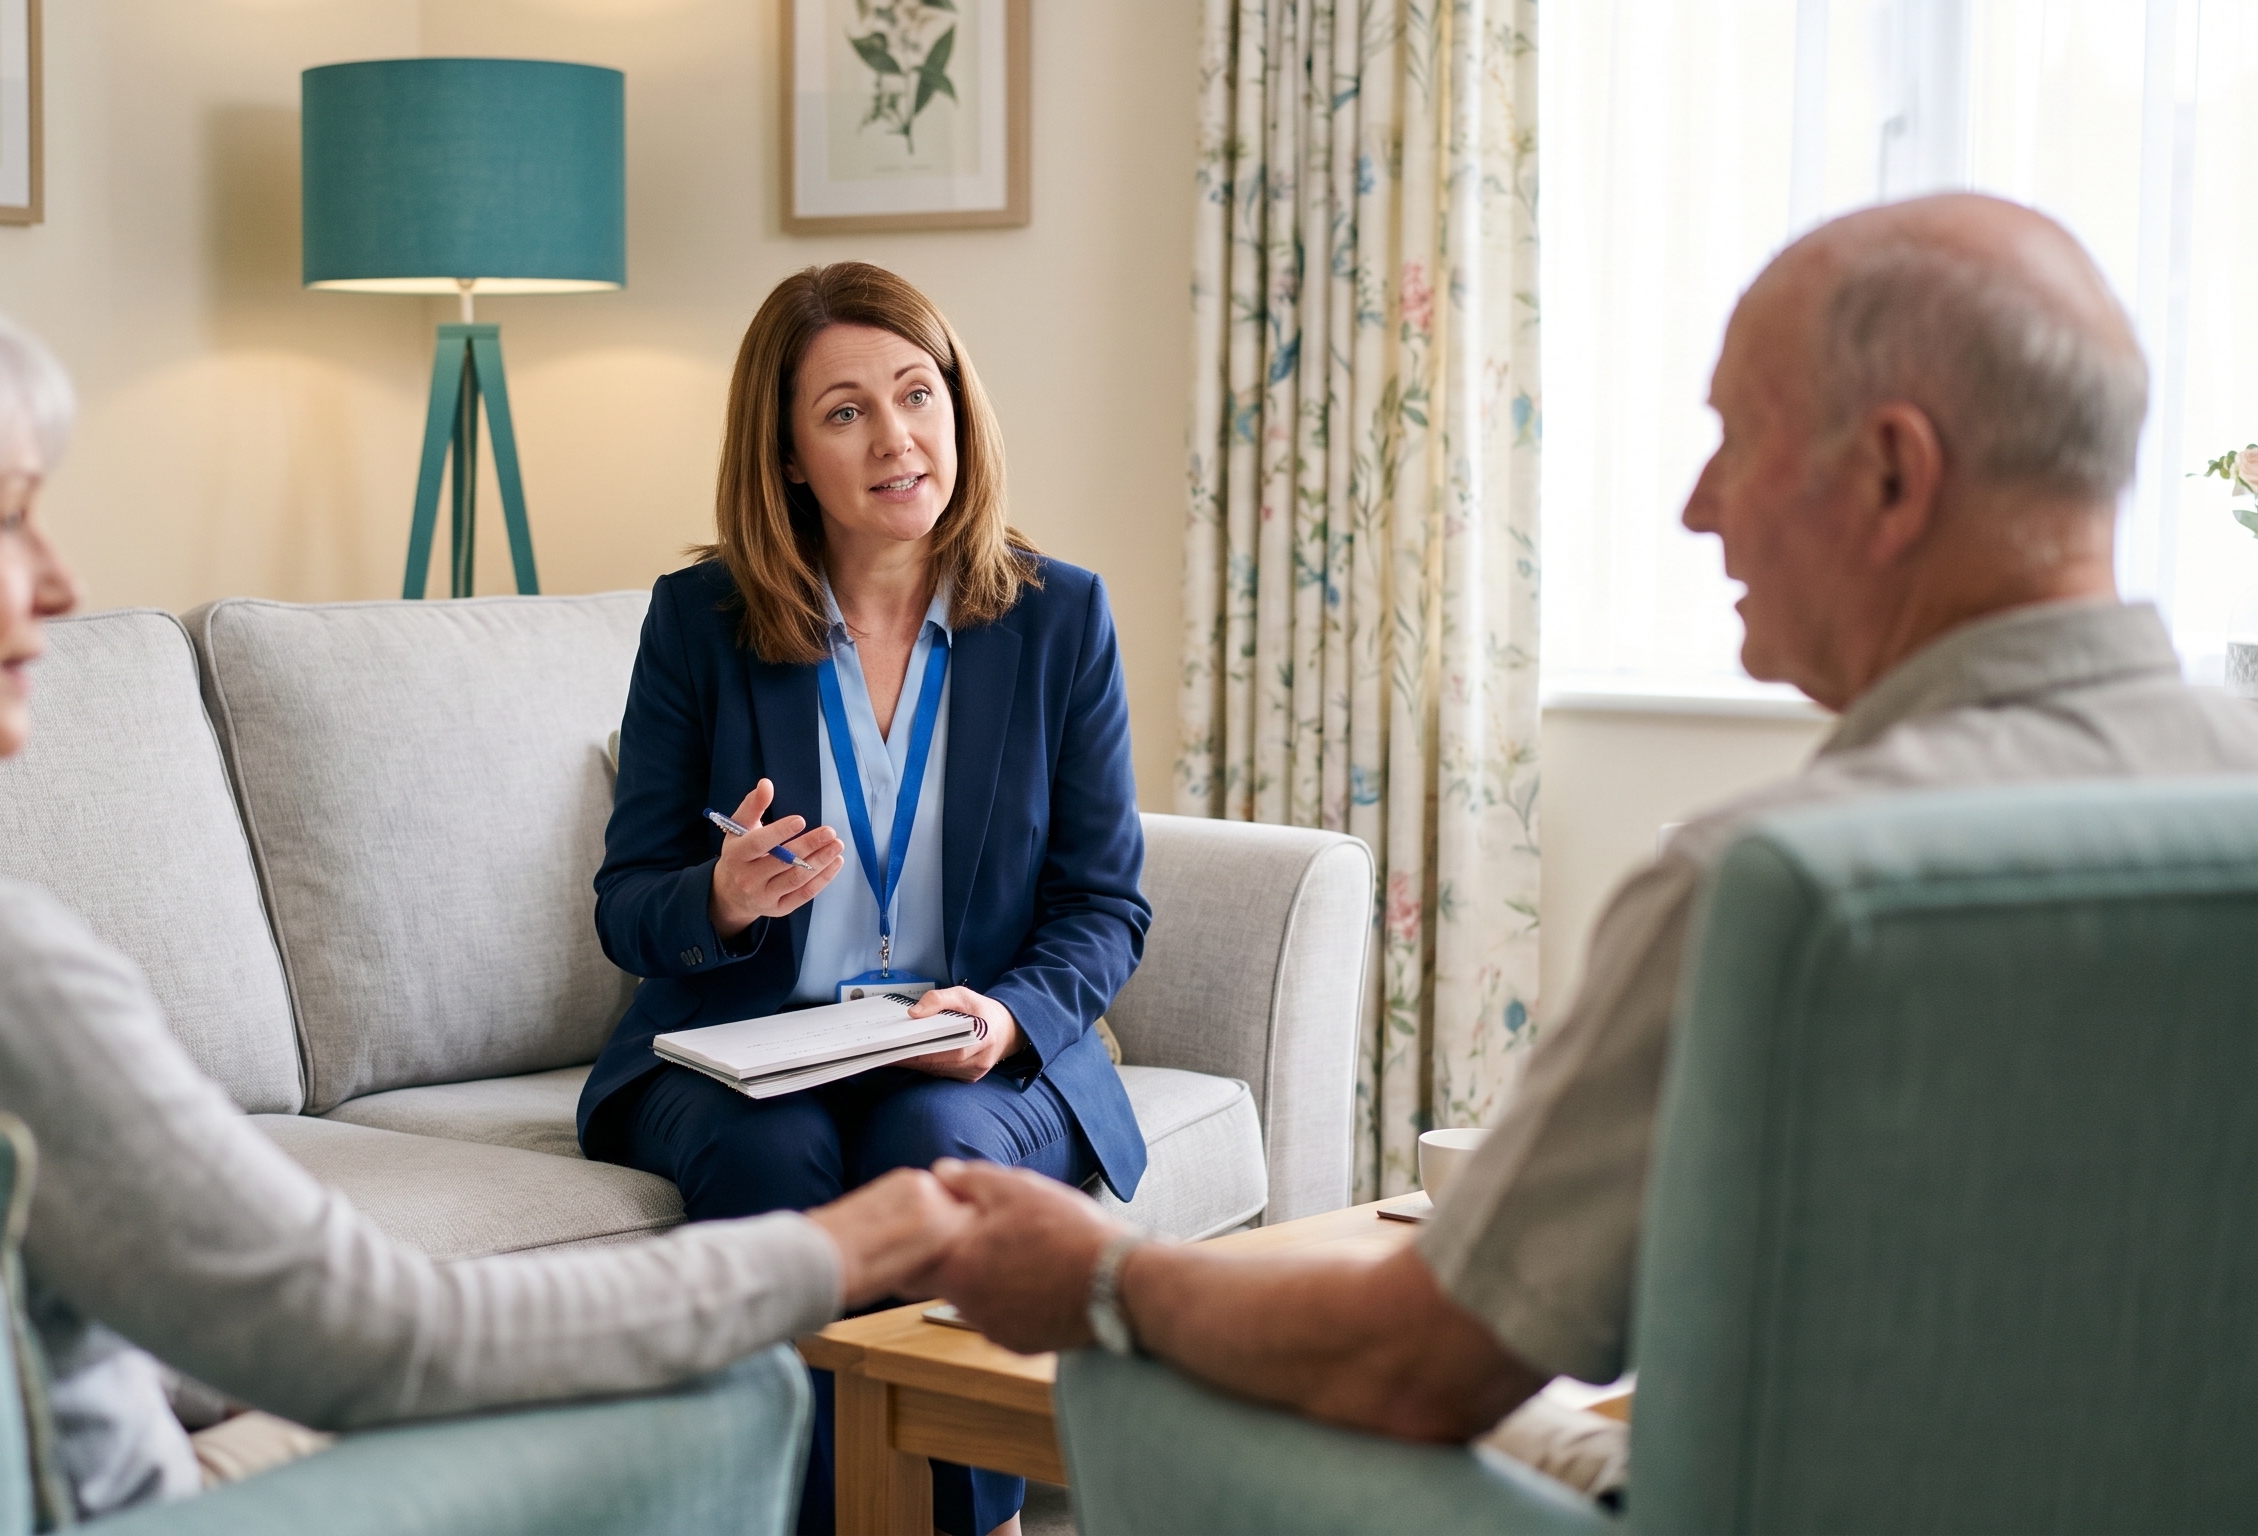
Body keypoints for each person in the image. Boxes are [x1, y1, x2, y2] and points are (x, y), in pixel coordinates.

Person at [0, 250, 969, 1521]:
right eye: (7, 515)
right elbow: (378, 1335)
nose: (63, 581)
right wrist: (838, 1249)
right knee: (707, 1402)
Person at [916, 190, 2258, 1502]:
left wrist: (1106, 1275)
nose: (1697, 505)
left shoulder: (1774, 889)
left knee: (1134, 1364)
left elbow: (1420, 1364)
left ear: (1896, 473)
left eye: (1735, 438)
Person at [579, 261, 1151, 1536]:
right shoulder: (698, 620)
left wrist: (1001, 1021)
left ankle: (974, 1523)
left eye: (916, 394)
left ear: (957, 405)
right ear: (785, 453)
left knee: (926, 1150)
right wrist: (721, 901)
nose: (896, 439)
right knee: (774, 1159)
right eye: (844, 412)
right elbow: (627, 902)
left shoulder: (1059, 618)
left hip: (968, 1052)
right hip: (746, 1052)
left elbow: (1105, 903)